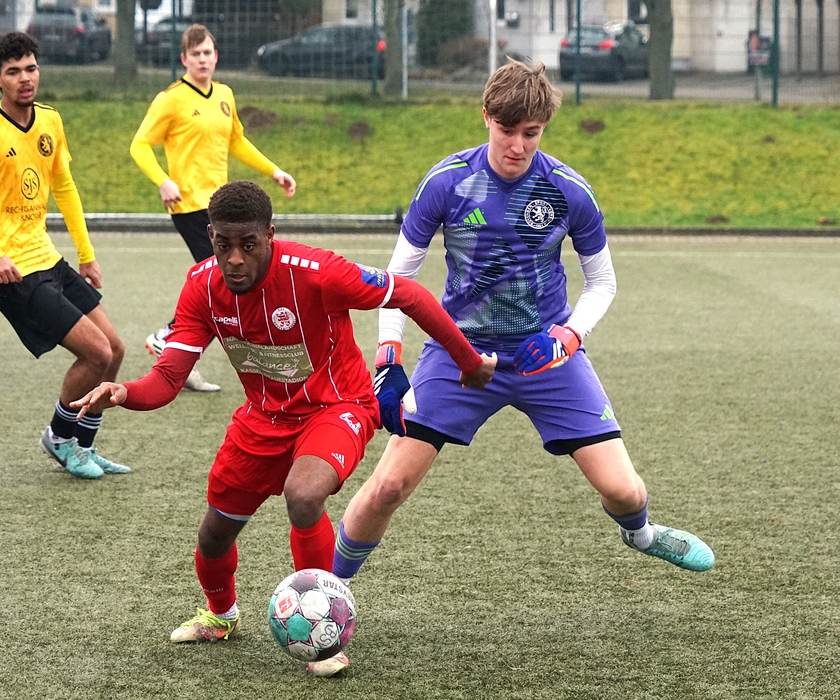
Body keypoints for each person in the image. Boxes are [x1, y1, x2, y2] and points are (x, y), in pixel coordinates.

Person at [330, 60, 715, 671]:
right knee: (389, 486)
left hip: (546, 357)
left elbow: (603, 282)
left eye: (530, 133)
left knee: (623, 490)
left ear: (543, 130)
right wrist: (388, 356)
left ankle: (641, 534)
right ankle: (328, 595)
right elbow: (397, 277)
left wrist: (568, 336)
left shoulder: (568, 190)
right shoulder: (447, 182)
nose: (517, 145)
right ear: (486, 117)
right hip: (459, 353)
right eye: (507, 130)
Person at [71, 181, 496, 676]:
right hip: (262, 418)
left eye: (248, 244)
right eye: (223, 244)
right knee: (214, 535)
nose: (235, 258)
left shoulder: (317, 272)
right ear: (210, 237)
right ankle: (221, 616)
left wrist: (469, 362)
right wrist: (124, 392)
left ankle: (326, 634)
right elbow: (167, 379)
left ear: (269, 235)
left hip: (337, 407)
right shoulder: (201, 287)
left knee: (304, 494)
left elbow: (410, 295)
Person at [0, 31, 128, 480]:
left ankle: (83, 444)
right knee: (96, 353)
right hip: (12, 274)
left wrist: (86, 254)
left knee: (115, 350)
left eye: (31, 68)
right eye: (13, 72)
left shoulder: (50, 121)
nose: (25, 79)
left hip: (48, 258)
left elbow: (64, 186)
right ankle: (59, 438)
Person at [130, 23, 297, 392]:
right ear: (184, 59)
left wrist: (274, 171)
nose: (202, 59)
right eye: (196, 54)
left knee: (221, 281)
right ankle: (175, 341)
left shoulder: (224, 94)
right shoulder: (171, 99)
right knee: (223, 281)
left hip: (220, 208)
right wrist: (163, 180)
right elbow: (139, 145)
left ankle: (173, 344)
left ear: (216, 56)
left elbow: (236, 141)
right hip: (188, 204)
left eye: (207, 53)